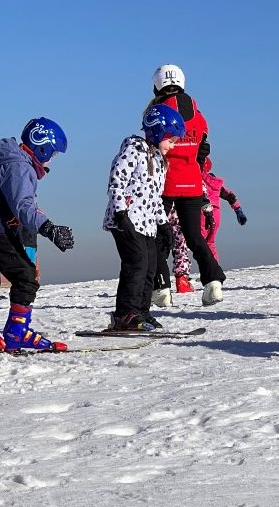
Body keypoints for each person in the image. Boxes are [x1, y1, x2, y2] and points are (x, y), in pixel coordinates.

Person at [0, 117, 74, 355]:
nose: (51, 160)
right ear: (42, 146)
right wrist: (50, 229)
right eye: (52, 154)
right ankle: (17, 334)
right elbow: (23, 206)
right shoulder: (21, 167)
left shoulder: (11, 162)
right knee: (26, 275)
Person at [149, 64, 225, 306]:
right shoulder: (199, 116)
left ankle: (161, 289)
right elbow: (204, 148)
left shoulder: (157, 111)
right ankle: (213, 282)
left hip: (165, 181)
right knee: (195, 236)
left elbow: (151, 145)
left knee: (159, 236)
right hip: (192, 181)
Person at [103, 104, 183, 331]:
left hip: (147, 224)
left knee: (150, 267)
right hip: (125, 221)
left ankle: (141, 312)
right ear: (157, 132)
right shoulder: (133, 151)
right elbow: (116, 182)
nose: (173, 145)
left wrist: (164, 224)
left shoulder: (159, 161)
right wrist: (120, 213)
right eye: (171, 139)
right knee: (136, 264)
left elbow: (155, 197)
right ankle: (125, 315)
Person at [199, 157, 247, 260]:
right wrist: (238, 210)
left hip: (202, 213)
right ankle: (215, 268)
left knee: (199, 242)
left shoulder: (196, 179)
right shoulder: (214, 182)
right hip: (216, 214)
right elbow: (230, 196)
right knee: (210, 242)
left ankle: (208, 271)